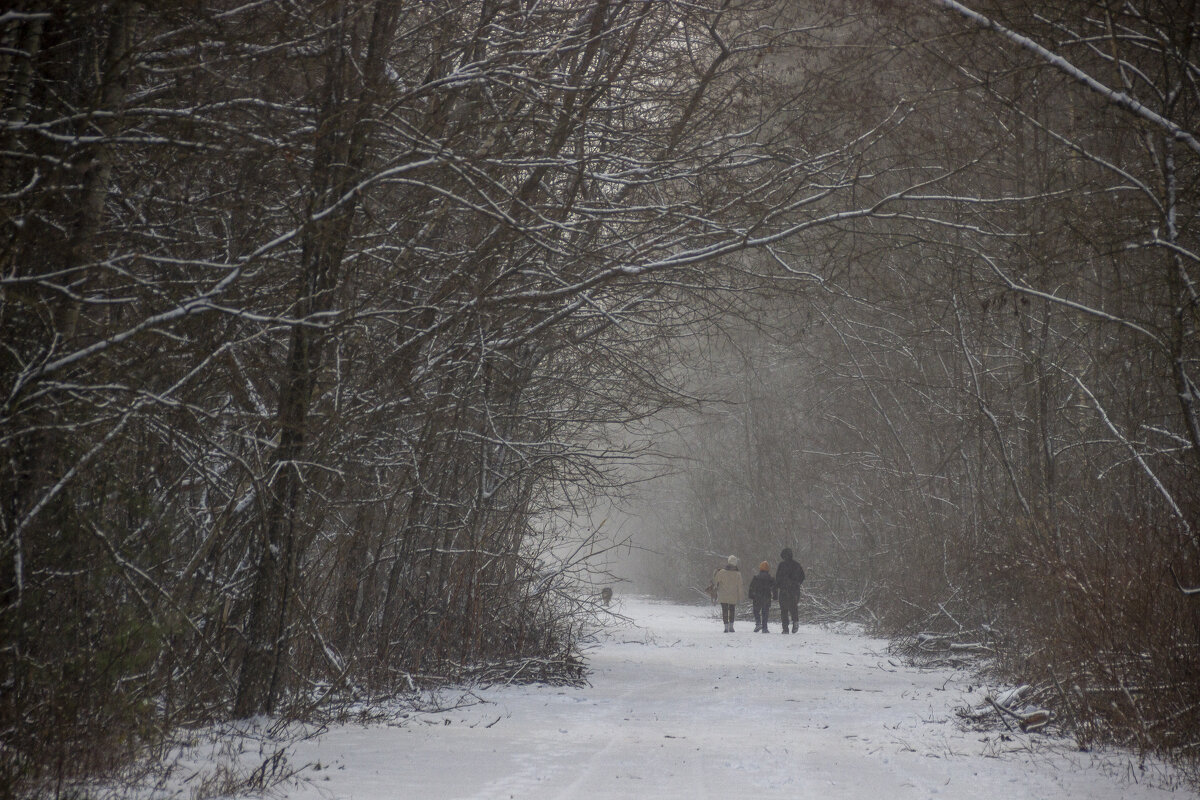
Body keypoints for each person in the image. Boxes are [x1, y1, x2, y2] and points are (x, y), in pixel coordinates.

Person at [776, 547, 805, 633]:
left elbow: (778, 578)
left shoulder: (781, 565)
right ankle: (795, 622)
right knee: (793, 607)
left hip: (784, 590)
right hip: (794, 590)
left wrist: (778, 586)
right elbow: (802, 577)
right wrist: (797, 583)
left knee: (783, 610)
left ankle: (785, 628)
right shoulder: (797, 565)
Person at [712, 555, 743, 632]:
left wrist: (714, 590)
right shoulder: (738, 574)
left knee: (724, 610)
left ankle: (726, 627)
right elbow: (740, 586)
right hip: (733, 595)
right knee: (732, 610)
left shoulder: (722, 572)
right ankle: (731, 626)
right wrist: (741, 597)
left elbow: (715, 582)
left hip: (723, 595)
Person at [748, 561, 776, 633]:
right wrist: (775, 596)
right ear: (768, 569)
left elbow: (751, 587)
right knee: (765, 612)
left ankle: (758, 623)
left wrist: (751, 595)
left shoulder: (756, 578)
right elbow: (774, 588)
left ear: (760, 568)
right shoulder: (771, 579)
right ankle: (764, 627)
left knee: (756, 611)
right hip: (766, 597)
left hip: (757, 597)